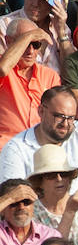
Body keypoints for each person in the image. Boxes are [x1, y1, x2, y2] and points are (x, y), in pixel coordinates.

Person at [0, 86, 78, 219]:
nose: (66, 123)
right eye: (59, 116)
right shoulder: (16, 148)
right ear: (41, 111)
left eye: (71, 118)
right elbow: (14, 197)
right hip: (45, 226)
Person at [0, 18, 61, 151]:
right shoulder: (3, 67)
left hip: (40, 150)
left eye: (36, 44)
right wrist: (31, 35)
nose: (31, 51)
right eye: (26, 43)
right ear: (8, 41)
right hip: (6, 148)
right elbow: (2, 69)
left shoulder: (50, 76)